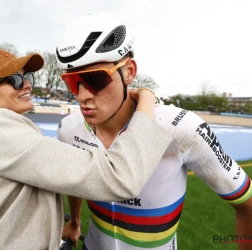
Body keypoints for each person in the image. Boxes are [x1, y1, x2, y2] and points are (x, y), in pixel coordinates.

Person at [55, 12, 252, 250]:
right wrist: (75, 221)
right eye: (72, 81)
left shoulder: (182, 128)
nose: (82, 95)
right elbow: (76, 180)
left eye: (95, 79)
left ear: (129, 71)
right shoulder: (69, 129)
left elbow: (246, 204)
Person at [0, 49, 172, 250]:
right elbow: (120, 177)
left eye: (28, 77)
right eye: (16, 80)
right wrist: (146, 100)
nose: (27, 85)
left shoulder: (5, 129)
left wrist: (61, 231)